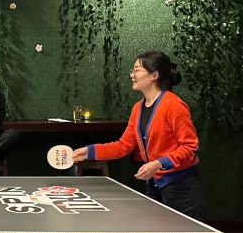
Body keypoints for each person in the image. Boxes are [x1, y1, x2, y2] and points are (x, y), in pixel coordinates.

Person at [73, 50, 207, 219]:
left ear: (154, 75)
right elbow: (123, 146)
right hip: (155, 184)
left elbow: (190, 147)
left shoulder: (174, 105)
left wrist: (159, 163)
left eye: (136, 70)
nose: (132, 74)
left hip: (182, 188)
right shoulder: (138, 108)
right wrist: (88, 152)